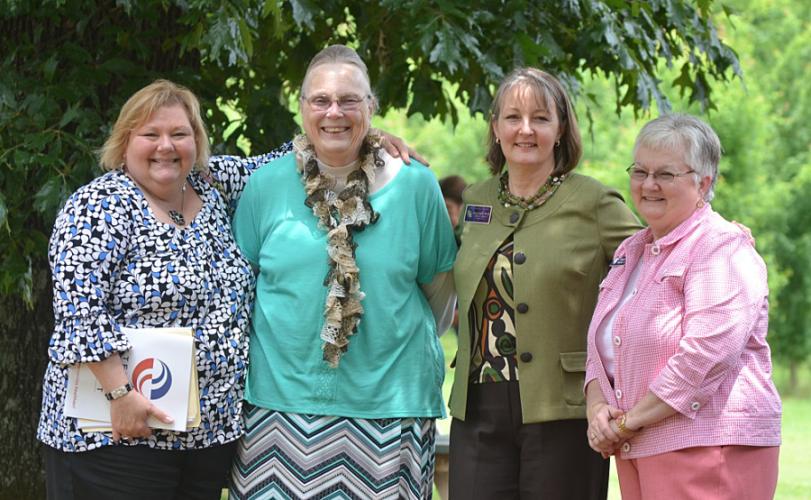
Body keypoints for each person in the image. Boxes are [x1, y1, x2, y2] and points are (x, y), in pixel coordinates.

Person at [38, 79, 420, 500]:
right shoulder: (97, 206)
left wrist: (361, 135)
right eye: (150, 134)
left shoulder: (211, 184)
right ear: (124, 142)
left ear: (196, 141)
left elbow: (288, 158)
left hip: (205, 439)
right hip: (119, 432)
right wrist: (120, 394)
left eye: (179, 134)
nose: (165, 146)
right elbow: (79, 313)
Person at [228, 45, 457, 499]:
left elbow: (441, 294)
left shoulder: (416, 186)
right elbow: (241, 290)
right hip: (279, 409)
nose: (335, 112)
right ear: (302, 109)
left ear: (371, 107)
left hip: (390, 409)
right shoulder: (264, 185)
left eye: (350, 100)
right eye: (321, 100)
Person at [447, 67, 641, 499]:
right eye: (513, 117)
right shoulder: (476, 201)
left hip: (565, 409)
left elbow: (654, 269)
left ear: (561, 129)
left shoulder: (594, 202)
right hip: (477, 407)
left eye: (541, 117)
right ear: (496, 129)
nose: (526, 129)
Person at [584, 114, 781, 500]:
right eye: (640, 171)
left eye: (666, 174)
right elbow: (600, 345)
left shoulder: (721, 248)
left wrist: (626, 424)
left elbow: (705, 357)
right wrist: (597, 411)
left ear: (703, 182)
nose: (649, 184)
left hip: (709, 447)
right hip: (639, 447)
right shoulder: (631, 250)